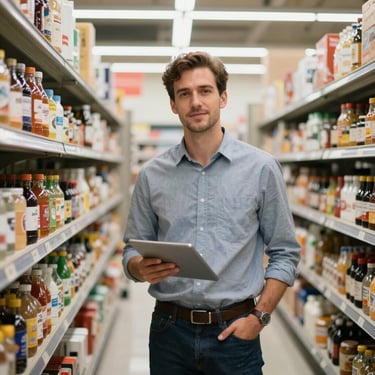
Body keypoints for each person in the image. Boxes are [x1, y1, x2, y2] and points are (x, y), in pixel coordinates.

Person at [122, 51, 300, 375]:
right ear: (174, 105)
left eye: (205, 91)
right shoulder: (151, 174)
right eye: (184, 94)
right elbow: (132, 248)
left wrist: (258, 318)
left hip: (235, 334)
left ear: (223, 97)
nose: (196, 102)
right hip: (168, 331)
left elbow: (285, 252)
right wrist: (138, 267)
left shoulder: (261, 169)